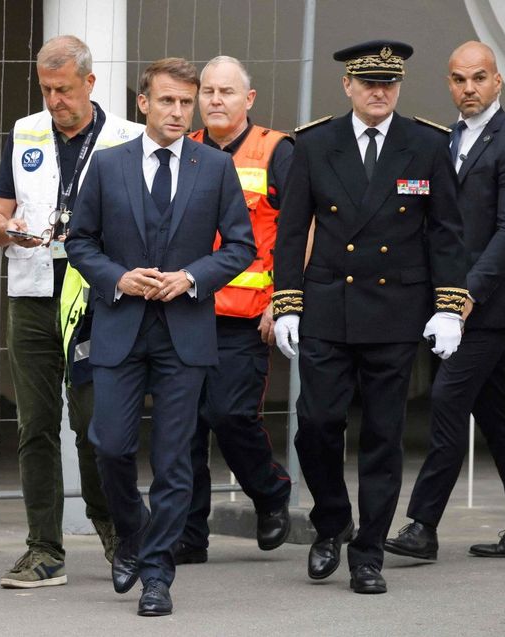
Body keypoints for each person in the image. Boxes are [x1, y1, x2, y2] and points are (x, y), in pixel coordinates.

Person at [272, 40, 469, 595]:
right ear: (348, 86)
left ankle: (368, 555)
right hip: (329, 307)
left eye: (389, 83)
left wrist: (449, 306)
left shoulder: (427, 143)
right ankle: (332, 522)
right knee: (315, 425)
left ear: (399, 87)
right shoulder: (313, 144)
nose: (379, 92)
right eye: (368, 83)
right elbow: (291, 234)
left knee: (383, 435)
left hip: (394, 312)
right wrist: (286, 302)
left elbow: (448, 231)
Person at [66, 57, 254, 616]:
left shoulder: (215, 167)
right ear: (143, 103)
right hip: (121, 328)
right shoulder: (107, 165)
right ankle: (132, 536)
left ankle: (157, 574)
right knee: (111, 444)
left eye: (186, 102)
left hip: (185, 334)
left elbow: (241, 247)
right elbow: (81, 242)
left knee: (175, 462)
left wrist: (193, 277)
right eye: (167, 101)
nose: (178, 111)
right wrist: (117, 277)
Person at [0, 34, 144, 589]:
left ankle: (117, 533)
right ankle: (43, 548)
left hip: (99, 299)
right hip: (32, 293)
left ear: (90, 84)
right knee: (35, 425)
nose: (55, 101)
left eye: (65, 90)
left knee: (97, 424)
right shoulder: (24, 132)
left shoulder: (129, 139)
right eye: (47, 89)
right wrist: (9, 230)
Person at [385, 41, 505, 562]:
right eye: (458, 80)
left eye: (479, 78)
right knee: (496, 411)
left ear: (498, 81)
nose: (469, 89)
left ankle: (422, 524)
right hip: (446, 300)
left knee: (447, 400)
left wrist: (466, 295)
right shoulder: (446, 141)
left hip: (489, 304)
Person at [175, 55, 293, 565]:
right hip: (186, 310)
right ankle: (189, 535)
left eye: (226, 91)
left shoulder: (276, 150)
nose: (215, 100)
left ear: (249, 100)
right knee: (183, 427)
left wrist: (285, 299)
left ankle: (269, 492)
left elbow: (299, 230)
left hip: (248, 313)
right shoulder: (184, 150)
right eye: (207, 91)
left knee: (229, 414)